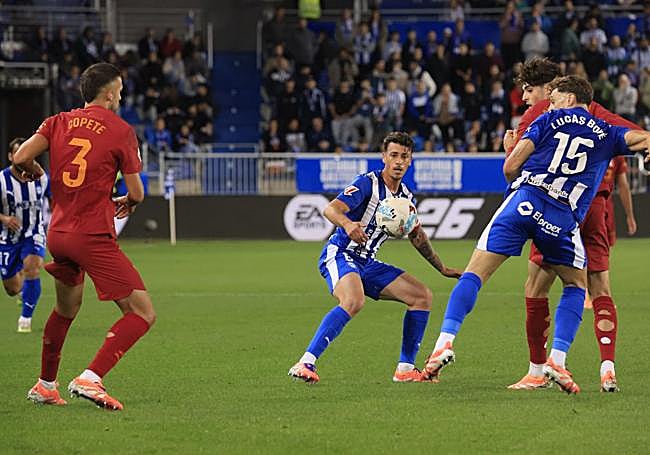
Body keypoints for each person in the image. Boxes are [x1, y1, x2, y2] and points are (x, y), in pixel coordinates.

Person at [420, 75, 650, 394]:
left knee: (474, 273)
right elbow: (642, 138)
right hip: (562, 216)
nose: (549, 104)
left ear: (570, 99)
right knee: (576, 285)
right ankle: (557, 359)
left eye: (554, 99)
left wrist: (512, 154)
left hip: (525, 202)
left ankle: (443, 343)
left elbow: (510, 167)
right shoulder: (607, 132)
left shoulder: (546, 119)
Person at [14, 62, 156, 410]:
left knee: (65, 309)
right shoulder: (121, 130)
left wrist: (34, 169)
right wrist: (129, 201)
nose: (121, 96)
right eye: (119, 91)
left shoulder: (58, 121)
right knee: (142, 312)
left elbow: (21, 156)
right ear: (109, 93)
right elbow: (137, 192)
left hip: (59, 232)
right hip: (91, 233)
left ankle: (46, 385)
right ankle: (90, 378)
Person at [503, 58, 640, 392]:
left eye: (530, 90)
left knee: (536, 288)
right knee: (600, 287)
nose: (527, 98)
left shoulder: (541, 115)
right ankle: (607, 368)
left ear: (552, 89)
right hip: (594, 205)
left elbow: (516, 165)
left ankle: (539, 370)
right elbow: (633, 134)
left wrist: (509, 149)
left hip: (557, 206)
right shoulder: (596, 110)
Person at [288, 132, 461, 384]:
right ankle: (305, 362)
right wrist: (348, 224)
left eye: (404, 156)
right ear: (384, 157)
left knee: (422, 297)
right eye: (394, 155)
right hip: (341, 253)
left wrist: (441, 268)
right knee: (354, 300)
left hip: (367, 262)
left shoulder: (406, 197)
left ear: (410, 160)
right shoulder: (367, 183)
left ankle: (405, 369)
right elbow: (330, 209)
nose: (399, 161)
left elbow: (417, 236)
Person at [1, 138, 50, 333]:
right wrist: (4, 218)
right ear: (11, 156)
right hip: (8, 238)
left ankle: (25, 318)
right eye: (18, 152)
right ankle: (24, 292)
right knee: (12, 289)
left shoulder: (42, 178)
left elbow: (57, 201)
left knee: (33, 267)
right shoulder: (2, 180)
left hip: (34, 232)